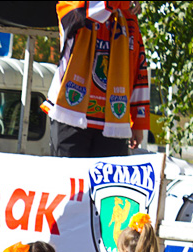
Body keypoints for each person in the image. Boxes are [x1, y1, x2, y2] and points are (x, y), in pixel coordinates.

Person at [41, 1, 150, 157]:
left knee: (109, 175)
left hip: (114, 123)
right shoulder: (72, 3)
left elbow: (137, 65)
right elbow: (84, 9)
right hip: (70, 116)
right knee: (70, 173)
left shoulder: (127, 16)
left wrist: (138, 122)